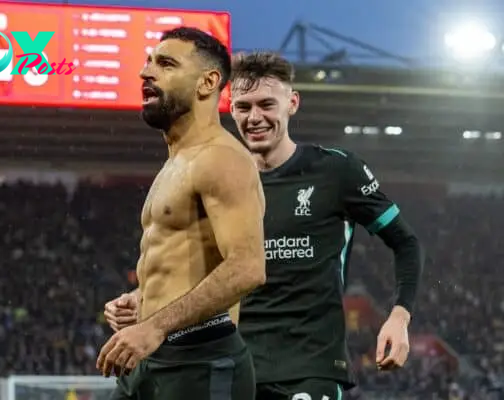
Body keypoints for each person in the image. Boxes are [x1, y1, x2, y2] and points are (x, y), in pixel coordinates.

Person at [228, 51, 424, 399]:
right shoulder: (223, 182)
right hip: (235, 368)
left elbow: (406, 243)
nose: (254, 117)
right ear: (230, 108)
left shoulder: (336, 171)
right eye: (243, 106)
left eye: (266, 104)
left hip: (310, 370)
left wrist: (399, 317)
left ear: (293, 103)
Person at [96, 27, 266, 400]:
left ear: (208, 83)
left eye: (166, 64)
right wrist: (142, 298)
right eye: (148, 62)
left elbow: (248, 267)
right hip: (151, 357)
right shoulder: (178, 161)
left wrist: (154, 326)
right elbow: (190, 260)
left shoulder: (222, 158)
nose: (146, 72)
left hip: (200, 363)